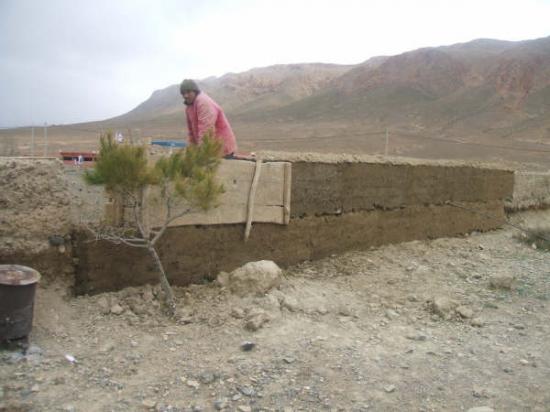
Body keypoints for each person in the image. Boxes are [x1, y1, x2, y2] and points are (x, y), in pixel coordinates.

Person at [180, 79, 237, 158]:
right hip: (209, 148)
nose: (185, 95)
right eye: (183, 93)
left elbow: (206, 130)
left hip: (221, 148)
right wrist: (190, 152)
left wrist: (201, 154)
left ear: (195, 91)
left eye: (188, 92)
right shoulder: (189, 107)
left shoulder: (203, 102)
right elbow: (191, 132)